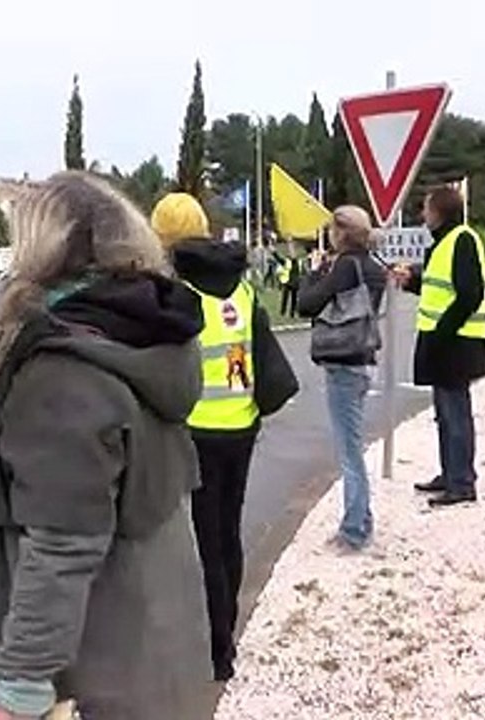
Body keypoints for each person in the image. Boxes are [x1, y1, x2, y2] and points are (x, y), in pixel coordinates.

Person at [0, 172, 212, 720]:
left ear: (44, 252)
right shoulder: (146, 334)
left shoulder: (62, 374)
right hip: (156, 651)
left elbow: (62, 544)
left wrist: (21, 693)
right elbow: (108, 480)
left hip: (93, 679)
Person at [149, 192, 298, 683]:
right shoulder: (243, 286)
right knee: (227, 535)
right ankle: (226, 633)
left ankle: (218, 650)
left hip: (199, 430)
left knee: (206, 541)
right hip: (243, 425)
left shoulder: (175, 292)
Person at [389, 186, 485, 507]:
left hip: (455, 342)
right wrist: (411, 282)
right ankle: (450, 473)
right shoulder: (443, 244)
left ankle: (461, 482)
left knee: (455, 413)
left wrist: (443, 331)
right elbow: (440, 289)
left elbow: (469, 293)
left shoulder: (462, 239)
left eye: (426, 208)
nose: (423, 214)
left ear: (439, 211)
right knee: (445, 414)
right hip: (442, 340)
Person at [296, 206, 387, 550]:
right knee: (352, 444)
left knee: (349, 451)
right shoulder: (373, 266)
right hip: (363, 356)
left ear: (340, 233)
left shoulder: (346, 266)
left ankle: (354, 530)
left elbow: (307, 303)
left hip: (343, 363)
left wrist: (315, 271)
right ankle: (361, 518)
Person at [275, 244, 302, 318]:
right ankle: (284, 312)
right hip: (289, 282)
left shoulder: (297, 262)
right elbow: (279, 259)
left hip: (294, 282)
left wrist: (290, 244)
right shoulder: (288, 262)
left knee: (293, 299)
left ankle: (291, 313)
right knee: (286, 298)